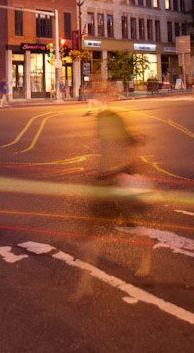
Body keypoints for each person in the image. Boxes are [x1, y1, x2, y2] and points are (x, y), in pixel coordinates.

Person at [72, 98, 153, 299]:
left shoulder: (115, 120)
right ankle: (85, 284)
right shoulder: (100, 119)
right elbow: (104, 152)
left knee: (132, 225)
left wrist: (124, 173)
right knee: (92, 234)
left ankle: (146, 256)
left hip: (117, 183)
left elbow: (131, 150)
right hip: (102, 183)